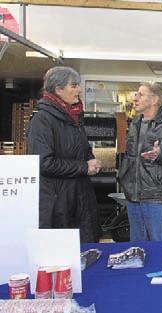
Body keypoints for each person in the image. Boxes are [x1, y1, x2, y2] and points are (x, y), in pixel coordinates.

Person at [27, 66, 101, 243]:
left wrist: (90, 158)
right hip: (59, 204)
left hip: (79, 198)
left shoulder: (73, 116)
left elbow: (80, 149)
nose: (79, 90)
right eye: (74, 85)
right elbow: (44, 163)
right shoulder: (42, 120)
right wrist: (84, 167)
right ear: (58, 89)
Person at [119, 82, 162, 241]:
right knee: (137, 249)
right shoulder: (135, 123)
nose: (135, 98)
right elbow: (130, 157)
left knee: (159, 249)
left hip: (157, 199)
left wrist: (161, 155)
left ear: (154, 100)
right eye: (136, 94)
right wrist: (123, 178)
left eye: (141, 94)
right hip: (133, 198)